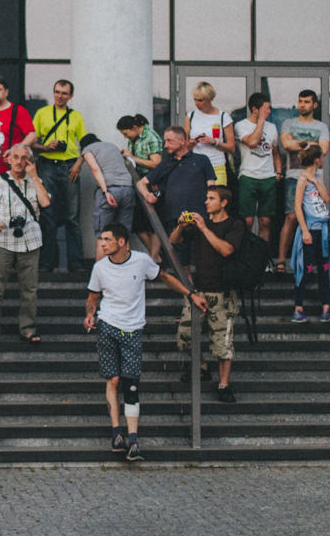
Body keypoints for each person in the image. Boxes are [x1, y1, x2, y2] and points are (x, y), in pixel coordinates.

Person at [84, 224, 204, 460]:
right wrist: (90, 314)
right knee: (113, 379)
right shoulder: (99, 268)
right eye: (102, 239)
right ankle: (117, 432)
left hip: (133, 328)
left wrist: (189, 294)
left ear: (121, 242)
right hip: (108, 324)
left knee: (131, 384)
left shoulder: (140, 261)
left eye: (107, 239)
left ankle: (133, 439)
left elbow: (164, 277)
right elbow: (92, 298)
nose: (102, 244)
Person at [172, 183, 245, 400]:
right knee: (184, 337)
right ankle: (202, 366)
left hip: (223, 293)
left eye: (211, 198)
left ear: (223, 203)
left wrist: (204, 228)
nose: (206, 202)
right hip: (198, 292)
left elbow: (227, 250)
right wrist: (180, 226)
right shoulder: (199, 225)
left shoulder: (234, 225)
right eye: (207, 198)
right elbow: (173, 241)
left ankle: (224, 386)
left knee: (223, 343)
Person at [0, 143, 48, 344]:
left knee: (29, 288)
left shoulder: (35, 181)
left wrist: (34, 176)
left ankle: (27, 328)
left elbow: (45, 203)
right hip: (3, 239)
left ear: (29, 161)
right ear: (8, 159)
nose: (19, 162)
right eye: (16, 157)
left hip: (31, 240)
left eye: (24, 158)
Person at [32, 80, 88, 273]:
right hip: (47, 165)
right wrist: (46, 147)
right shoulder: (42, 113)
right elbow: (32, 143)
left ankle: (76, 263)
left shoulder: (76, 116)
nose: (60, 96)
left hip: (70, 166)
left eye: (64, 93)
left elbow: (86, 144)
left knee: (72, 215)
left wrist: (79, 165)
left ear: (70, 96)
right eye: (57, 92)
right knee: (48, 215)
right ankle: (48, 262)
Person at [275, 88, 329, 268]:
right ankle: (281, 259)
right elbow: (285, 144)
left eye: (306, 102)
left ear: (314, 105)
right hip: (293, 176)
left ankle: (313, 261)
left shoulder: (321, 126)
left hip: (315, 178)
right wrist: (311, 145)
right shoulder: (288, 123)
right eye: (300, 101)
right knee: (291, 216)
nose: (302, 105)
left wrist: (299, 144)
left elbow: (324, 149)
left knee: (314, 217)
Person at [287, 143, 330, 323]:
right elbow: (297, 206)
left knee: (324, 269)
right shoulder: (302, 179)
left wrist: (316, 181)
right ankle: (298, 307)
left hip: (323, 228)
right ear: (317, 160)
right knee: (305, 268)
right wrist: (305, 230)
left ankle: (326, 307)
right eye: (321, 157)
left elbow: (327, 198)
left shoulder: (316, 177)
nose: (323, 160)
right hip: (310, 229)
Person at [140, 126, 213, 237]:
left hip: (199, 216)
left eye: (169, 141)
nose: (165, 145)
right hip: (174, 219)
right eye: (165, 141)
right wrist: (147, 195)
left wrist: (212, 213)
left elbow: (212, 188)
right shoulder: (165, 163)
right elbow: (141, 183)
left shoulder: (202, 160)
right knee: (176, 252)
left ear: (182, 141)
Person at [231, 91, 279, 238]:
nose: (269, 112)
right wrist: (261, 121)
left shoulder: (272, 128)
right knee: (248, 220)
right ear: (255, 109)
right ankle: (246, 254)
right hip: (248, 176)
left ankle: (262, 256)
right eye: (266, 109)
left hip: (268, 177)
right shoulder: (241, 125)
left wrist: (278, 172)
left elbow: (275, 152)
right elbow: (252, 142)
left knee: (265, 221)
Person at [85, 124, 141, 245]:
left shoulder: (88, 149)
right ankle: (124, 263)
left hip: (110, 190)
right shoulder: (113, 147)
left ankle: (101, 264)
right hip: (127, 189)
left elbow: (95, 169)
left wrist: (105, 192)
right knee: (124, 233)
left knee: (103, 235)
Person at [182, 81, 233, 187]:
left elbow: (231, 148)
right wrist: (191, 144)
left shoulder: (223, 117)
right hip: (196, 165)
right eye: (195, 100)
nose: (197, 103)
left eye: (200, 100)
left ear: (210, 99)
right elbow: (184, 146)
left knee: (216, 198)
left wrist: (214, 142)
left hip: (217, 165)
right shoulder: (190, 116)